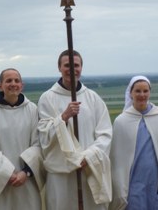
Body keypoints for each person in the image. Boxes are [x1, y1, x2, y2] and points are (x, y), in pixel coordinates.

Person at [37, 49, 112, 210]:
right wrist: (63, 117)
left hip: (88, 169)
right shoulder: (47, 98)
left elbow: (105, 134)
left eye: (76, 65)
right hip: (61, 175)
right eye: (67, 65)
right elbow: (44, 135)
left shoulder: (93, 98)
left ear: (81, 68)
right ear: (59, 68)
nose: (72, 69)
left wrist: (89, 156)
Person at [0, 68, 44, 210]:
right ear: (0, 86)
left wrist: (25, 172)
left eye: (16, 81)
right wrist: (7, 173)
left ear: (21, 85)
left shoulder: (32, 109)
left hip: (26, 181)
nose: (13, 84)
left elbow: (38, 144)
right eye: (8, 80)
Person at [109, 76, 158, 210]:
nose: (142, 95)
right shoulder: (121, 121)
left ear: (150, 93)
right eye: (138, 91)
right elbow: (117, 159)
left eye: (145, 91)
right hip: (133, 183)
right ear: (130, 93)